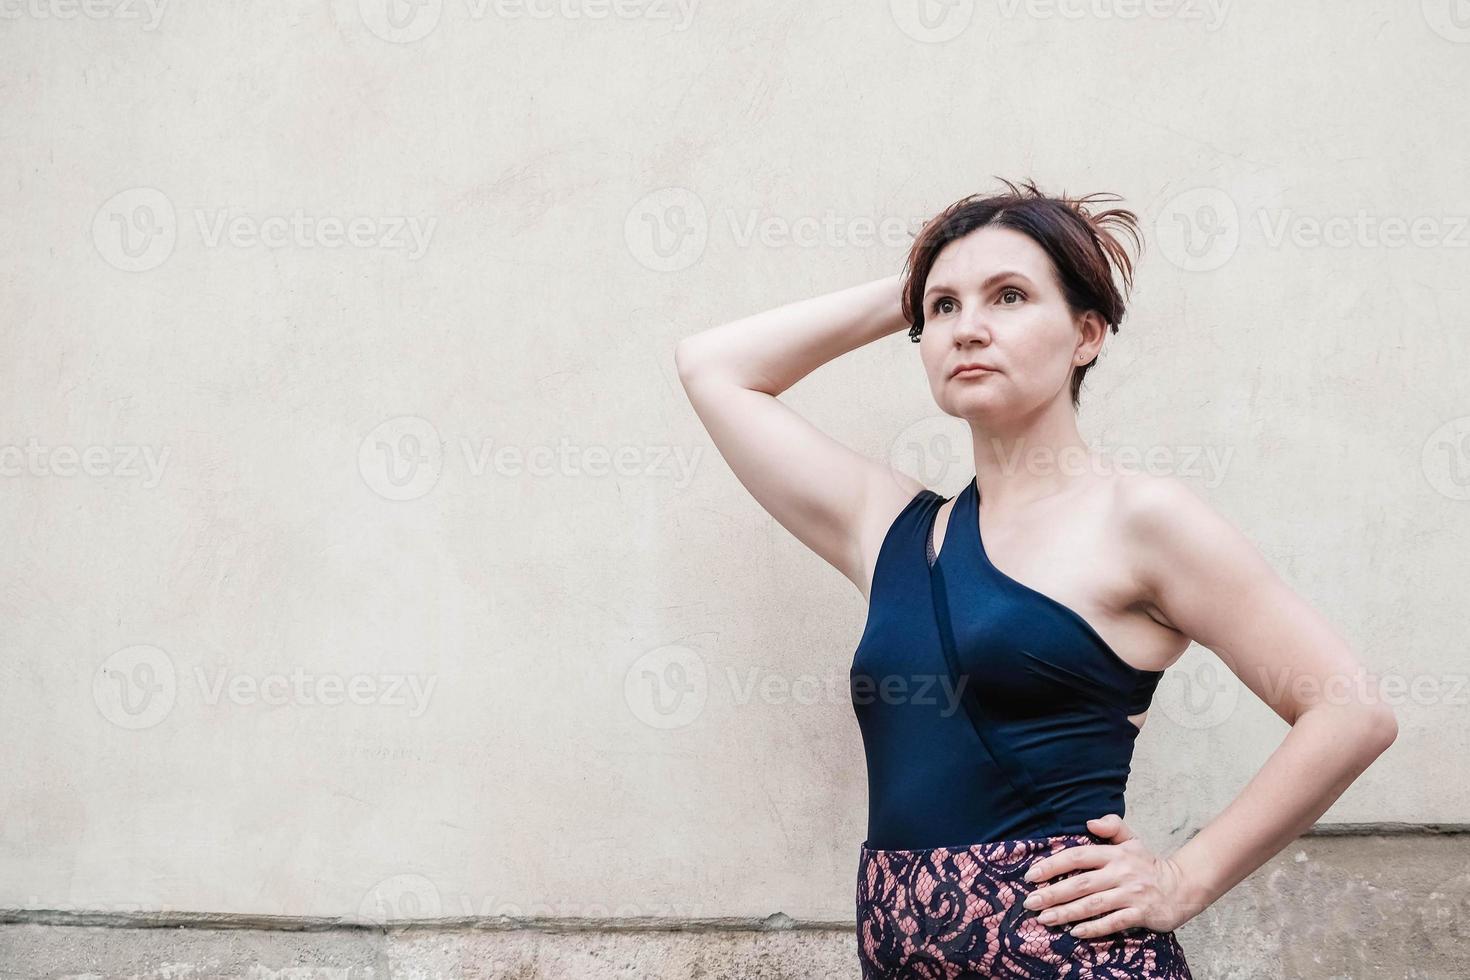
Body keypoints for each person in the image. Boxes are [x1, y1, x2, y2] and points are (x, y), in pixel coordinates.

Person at [673, 178, 1398, 978]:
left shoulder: (1141, 519)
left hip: (1070, 959)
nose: (967, 329)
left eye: (1010, 297)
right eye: (943, 308)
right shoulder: (889, 530)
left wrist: (1183, 880)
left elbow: (1349, 710)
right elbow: (714, 367)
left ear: (1086, 335)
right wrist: (915, 280)